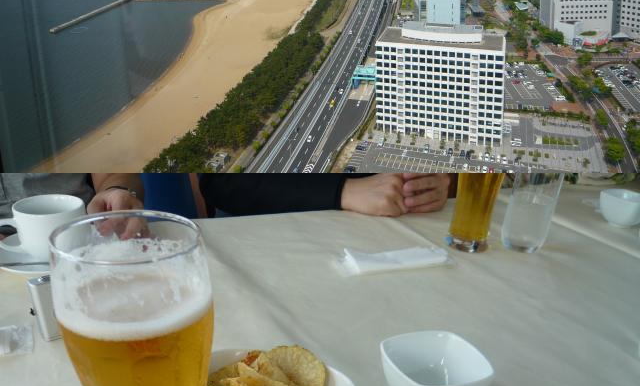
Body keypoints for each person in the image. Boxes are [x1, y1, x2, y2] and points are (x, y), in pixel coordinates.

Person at [87, 167, 452, 218]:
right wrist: (343, 190)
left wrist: (428, 181)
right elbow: (222, 184)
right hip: (267, 224)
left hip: (393, 224)